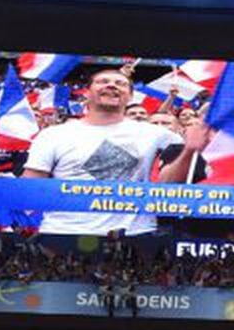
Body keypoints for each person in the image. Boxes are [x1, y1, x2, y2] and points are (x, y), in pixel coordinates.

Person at [20, 68, 209, 236]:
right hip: (64, 232)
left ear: (130, 96)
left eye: (120, 83)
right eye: (103, 82)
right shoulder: (53, 135)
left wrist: (190, 150)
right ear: (87, 93)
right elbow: (29, 189)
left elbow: (168, 184)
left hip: (135, 235)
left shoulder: (158, 135)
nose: (112, 85)